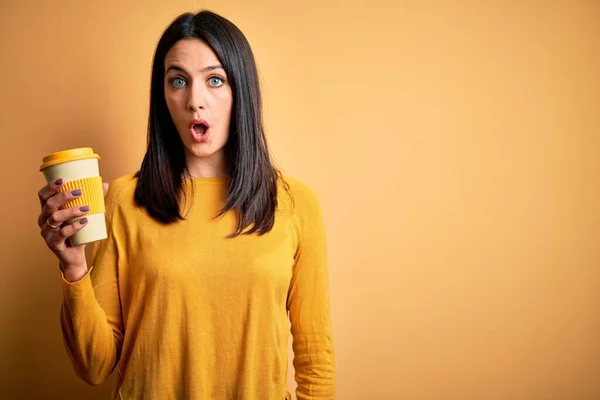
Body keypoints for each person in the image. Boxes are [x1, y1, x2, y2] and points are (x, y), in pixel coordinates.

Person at [36, 10, 335, 400]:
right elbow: (94, 366)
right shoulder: (126, 200)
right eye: (178, 81)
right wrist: (73, 266)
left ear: (241, 91)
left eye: (215, 80)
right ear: (163, 97)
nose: (195, 101)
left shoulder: (295, 203)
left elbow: (315, 359)